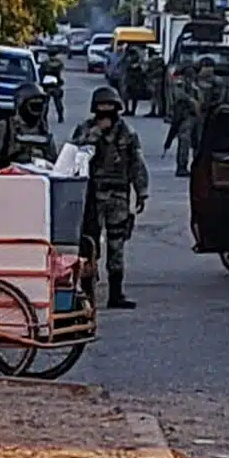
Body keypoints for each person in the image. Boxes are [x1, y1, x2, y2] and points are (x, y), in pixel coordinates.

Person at [70, 86, 149, 309]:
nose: (106, 114)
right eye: (101, 110)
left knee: (117, 244)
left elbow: (137, 164)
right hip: (92, 196)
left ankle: (116, 292)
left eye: (110, 109)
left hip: (118, 196)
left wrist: (141, 192)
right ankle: (86, 294)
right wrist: (94, 136)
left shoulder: (127, 133)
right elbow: (72, 155)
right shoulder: (85, 129)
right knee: (89, 244)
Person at [0, 83, 58, 173]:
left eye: (40, 105)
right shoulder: (5, 127)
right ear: (21, 104)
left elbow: (54, 163)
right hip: (8, 180)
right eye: (33, 104)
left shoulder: (42, 129)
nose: (37, 110)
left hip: (38, 181)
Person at [163, 71, 203, 177]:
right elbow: (179, 96)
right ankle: (182, 167)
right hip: (185, 116)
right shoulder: (180, 85)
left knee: (198, 142)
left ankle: (197, 166)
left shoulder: (197, 84)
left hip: (198, 117)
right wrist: (191, 101)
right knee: (184, 141)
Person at [39, 50, 66, 122]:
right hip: (56, 85)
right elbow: (61, 74)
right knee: (58, 102)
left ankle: (44, 117)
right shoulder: (59, 63)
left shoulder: (44, 63)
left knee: (45, 102)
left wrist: (41, 83)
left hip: (46, 85)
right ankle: (60, 117)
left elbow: (41, 73)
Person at [144, 49, 167, 118]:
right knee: (158, 97)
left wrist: (149, 75)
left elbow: (146, 70)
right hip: (160, 81)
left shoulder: (151, 60)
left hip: (153, 81)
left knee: (155, 97)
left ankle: (154, 111)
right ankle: (160, 111)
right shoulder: (160, 60)